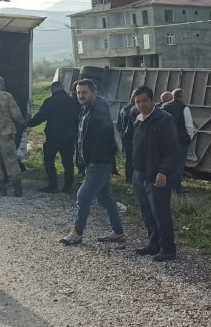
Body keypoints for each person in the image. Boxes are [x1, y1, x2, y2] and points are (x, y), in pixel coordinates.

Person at [60, 79, 124, 245]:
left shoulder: (98, 110)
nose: (80, 95)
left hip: (99, 163)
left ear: (93, 93)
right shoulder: (85, 109)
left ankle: (77, 232)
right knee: (105, 199)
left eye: (84, 92)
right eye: (78, 92)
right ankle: (118, 232)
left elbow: (105, 138)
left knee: (83, 196)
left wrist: (95, 160)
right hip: (92, 163)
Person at [129, 85, 179, 261]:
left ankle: (168, 249)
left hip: (156, 174)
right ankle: (154, 243)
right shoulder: (138, 118)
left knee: (160, 212)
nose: (141, 104)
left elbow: (171, 149)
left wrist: (163, 171)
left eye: (144, 100)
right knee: (146, 211)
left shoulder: (164, 119)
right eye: (137, 102)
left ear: (151, 100)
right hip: (140, 172)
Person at [27, 80, 80, 193]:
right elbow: (79, 119)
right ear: (62, 88)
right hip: (69, 137)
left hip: (53, 137)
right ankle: (68, 186)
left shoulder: (50, 101)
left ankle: (53, 186)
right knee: (68, 162)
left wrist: (28, 124)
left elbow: (41, 117)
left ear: (52, 90)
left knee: (49, 160)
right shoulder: (74, 101)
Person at [160, 88, 195, 193]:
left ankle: (165, 185)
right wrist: (189, 138)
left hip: (166, 141)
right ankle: (175, 188)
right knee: (178, 165)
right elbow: (189, 125)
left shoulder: (164, 107)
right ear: (181, 96)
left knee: (166, 163)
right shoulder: (184, 108)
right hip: (180, 141)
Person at [116, 95, 138, 182]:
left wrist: (121, 132)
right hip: (133, 137)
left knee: (129, 158)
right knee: (134, 158)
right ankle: (132, 177)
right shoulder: (136, 110)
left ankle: (128, 177)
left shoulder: (123, 109)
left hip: (125, 137)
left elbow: (118, 124)